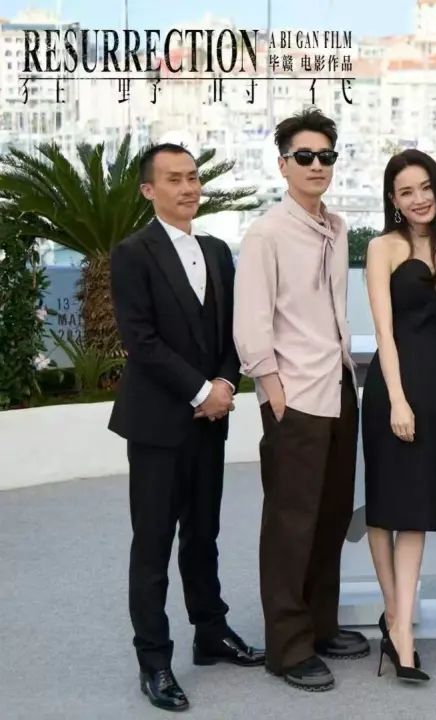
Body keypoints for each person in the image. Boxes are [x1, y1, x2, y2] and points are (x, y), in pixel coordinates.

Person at [109, 143, 264, 712]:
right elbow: (140, 340)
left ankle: (211, 633)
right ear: (149, 190)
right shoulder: (132, 253)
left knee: (204, 535)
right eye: (174, 179)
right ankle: (153, 661)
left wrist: (224, 383)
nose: (189, 187)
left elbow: (232, 332)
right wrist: (202, 391)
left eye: (194, 177)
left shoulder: (218, 251)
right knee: (152, 545)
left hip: (209, 422)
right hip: (157, 425)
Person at [234, 108, 368, 692]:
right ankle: (287, 649)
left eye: (326, 156)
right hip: (294, 396)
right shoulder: (266, 233)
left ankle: (320, 624)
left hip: (338, 386)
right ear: (283, 164)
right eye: (305, 157)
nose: (317, 166)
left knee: (332, 516)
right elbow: (251, 323)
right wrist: (274, 394)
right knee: (291, 524)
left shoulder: (335, 227)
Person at [361, 149, 436, 684]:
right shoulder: (381, 247)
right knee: (386, 506)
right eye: (406, 191)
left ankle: (398, 623)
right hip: (393, 389)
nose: (419, 198)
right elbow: (383, 333)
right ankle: (399, 624)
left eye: (426, 187)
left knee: (416, 510)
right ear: (393, 199)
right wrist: (397, 398)